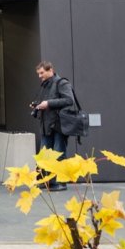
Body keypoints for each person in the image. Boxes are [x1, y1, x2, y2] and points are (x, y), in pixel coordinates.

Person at [31, 60, 77, 191]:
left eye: (41, 73)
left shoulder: (62, 83)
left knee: (58, 153)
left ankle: (60, 183)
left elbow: (69, 100)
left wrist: (48, 103)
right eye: (38, 73)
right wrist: (37, 105)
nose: (39, 76)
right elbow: (45, 102)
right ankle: (45, 182)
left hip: (59, 125)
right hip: (46, 125)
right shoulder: (45, 85)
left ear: (50, 70)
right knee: (44, 156)